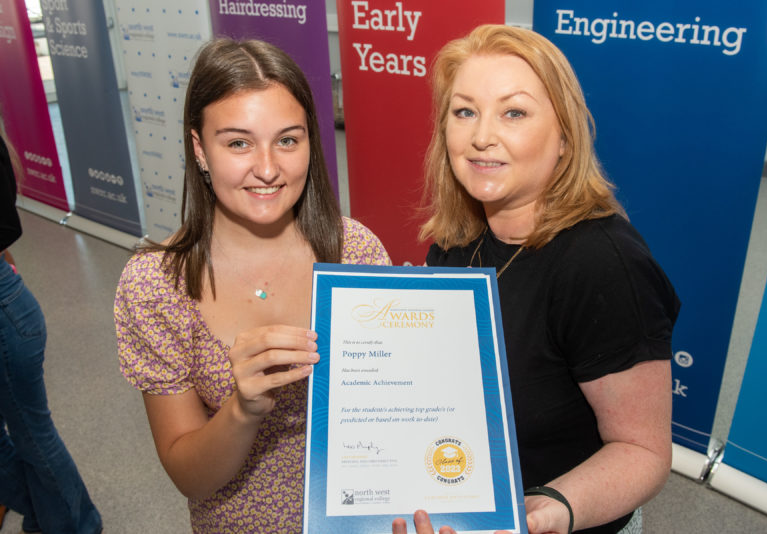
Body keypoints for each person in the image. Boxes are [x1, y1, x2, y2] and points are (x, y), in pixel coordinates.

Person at [113, 38, 390, 532]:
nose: (267, 168)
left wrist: (423, 331)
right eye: (238, 142)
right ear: (199, 148)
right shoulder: (157, 286)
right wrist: (242, 410)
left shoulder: (356, 252)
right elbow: (189, 478)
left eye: (288, 140)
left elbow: (393, 417)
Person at [414, 24, 680, 534]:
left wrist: (550, 508)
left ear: (563, 137)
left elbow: (643, 451)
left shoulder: (603, 265)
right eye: (464, 111)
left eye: (513, 112)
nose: (481, 135)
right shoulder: (454, 241)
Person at [0, 127, 103, 532]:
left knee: (31, 432)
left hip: (6, 315)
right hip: (11, 305)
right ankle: (56, 515)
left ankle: (74, 523)